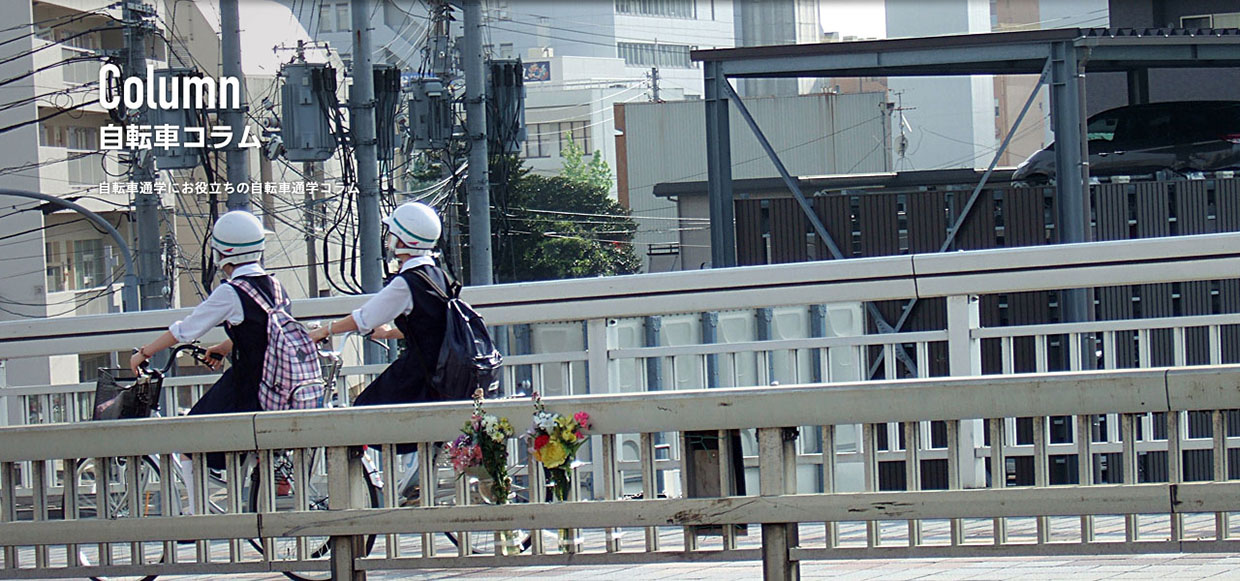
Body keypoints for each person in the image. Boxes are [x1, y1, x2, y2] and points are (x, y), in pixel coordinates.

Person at [129, 210, 291, 477]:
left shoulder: (232, 291)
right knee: (228, 449)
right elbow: (266, 332)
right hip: (279, 386)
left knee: (190, 441)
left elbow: (186, 331)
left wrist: (143, 353)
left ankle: (197, 515)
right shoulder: (274, 285)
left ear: (221, 253)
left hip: (249, 388)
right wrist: (226, 347)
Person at [307, 201, 448, 410]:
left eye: (392, 233)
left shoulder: (407, 283)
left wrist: (323, 331)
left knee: (366, 410)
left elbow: (363, 318)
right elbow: (427, 325)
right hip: (441, 369)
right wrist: (387, 333)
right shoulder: (439, 275)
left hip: (420, 372)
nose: (389, 239)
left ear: (403, 241)